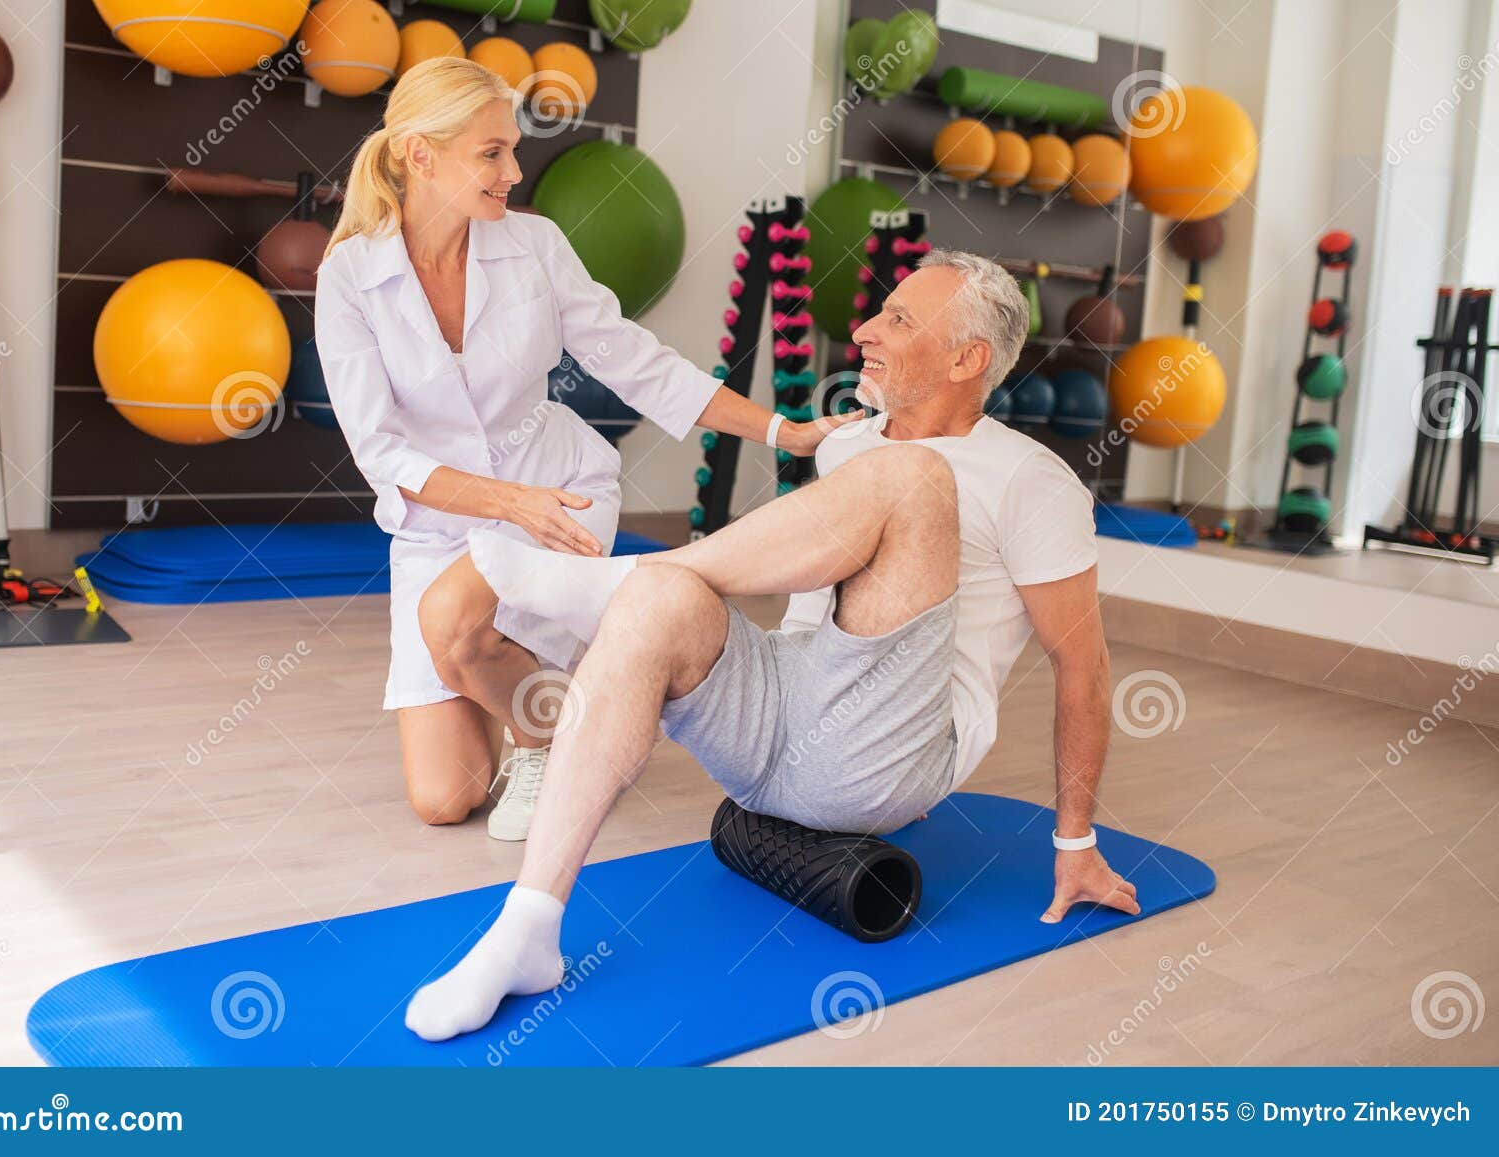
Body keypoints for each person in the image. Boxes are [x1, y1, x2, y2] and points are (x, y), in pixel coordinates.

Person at [401, 247, 1143, 1043]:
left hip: (880, 759)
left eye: (898, 319)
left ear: (969, 358)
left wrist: (1075, 839)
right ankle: (528, 928)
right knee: (666, 600)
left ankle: (630, 580)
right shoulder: (845, 446)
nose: (863, 329)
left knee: (915, 477)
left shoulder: (1033, 480)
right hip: (773, 731)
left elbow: (1083, 664)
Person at [315, 58, 853, 841]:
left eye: (513, 149)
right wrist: (505, 504)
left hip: (558, 491)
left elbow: (635, 360)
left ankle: (537, 737)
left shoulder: (532, 244)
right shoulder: (351, 277)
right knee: (445, 796)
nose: (515, 170)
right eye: (492, 153)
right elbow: (379, 450)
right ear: (420, 156)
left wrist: (783, 430)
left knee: (454, 620)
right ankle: (581, 716)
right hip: (446, 520)